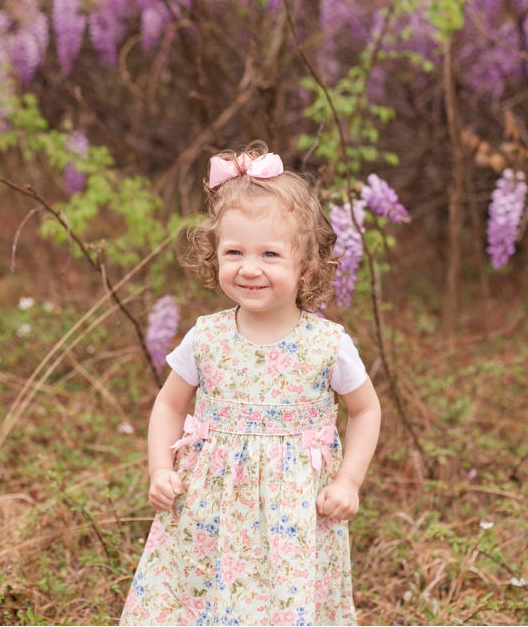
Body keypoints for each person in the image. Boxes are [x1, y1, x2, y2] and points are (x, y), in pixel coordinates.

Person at [120, 141, 382, 626]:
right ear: (213, 256)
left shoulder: (326, 344)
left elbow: (366, 410)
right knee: (202, 595)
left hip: (294, 512)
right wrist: (160, 469)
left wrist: (349, 481)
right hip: (208, 505)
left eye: (270, 254)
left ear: (305, 265)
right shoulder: (207, 336)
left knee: (281, 603)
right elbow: (169, 403)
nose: (249, 267)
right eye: (234, 251)